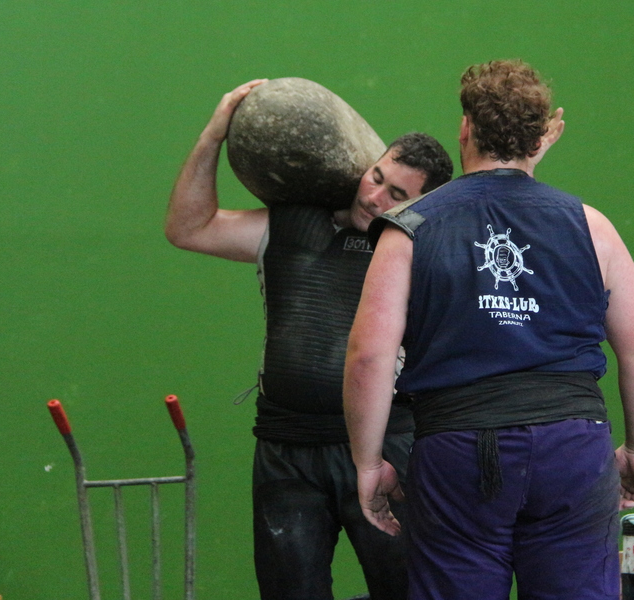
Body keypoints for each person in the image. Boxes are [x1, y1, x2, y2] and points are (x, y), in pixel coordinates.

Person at [343, 60, 634, 600]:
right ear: (540, 139)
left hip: (456, 453)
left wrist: (368, 462)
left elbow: (369, 358)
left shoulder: (408, 230)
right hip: (573, 450)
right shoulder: (593, 228)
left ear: (464, 128)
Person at [164, 79, 454, 600]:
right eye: (376, 176)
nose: (374, 196)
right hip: (286, 451)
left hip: (386, 451)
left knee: (410, 591)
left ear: (420, 206)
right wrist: (212, 137)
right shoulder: (288, 229)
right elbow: (188, 228)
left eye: (397, 195)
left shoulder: (420, 253)